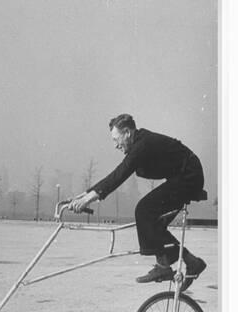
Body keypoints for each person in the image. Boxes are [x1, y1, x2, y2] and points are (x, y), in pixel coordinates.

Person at [70, 114, 207, 286]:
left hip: (189, 176)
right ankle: (192, 262)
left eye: (116, 139)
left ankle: (164, 266)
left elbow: (120, 173)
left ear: (127, 133)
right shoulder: (140, 142)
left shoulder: (142, 144)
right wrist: (84, 195)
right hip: (183, 175)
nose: (115, 146)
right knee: (154, 222)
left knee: (144, 210)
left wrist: (89, 198)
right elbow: (118, 173)